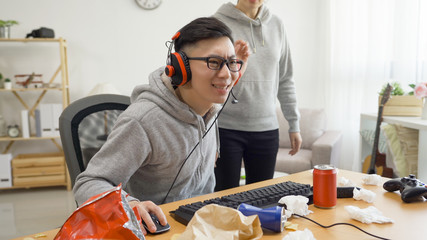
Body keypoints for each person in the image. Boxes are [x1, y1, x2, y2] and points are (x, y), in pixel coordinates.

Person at [73, 17, 249, 235]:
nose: (226, 74)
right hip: (157, 232)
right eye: (213, 62)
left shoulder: (210, 108)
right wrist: (131, 205)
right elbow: (88, 182)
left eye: (231, 63)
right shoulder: (143, 120)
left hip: (202, 228)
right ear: (180, 67)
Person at [213, 0, 302, 191]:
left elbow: (285, 78)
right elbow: (209, 78)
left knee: (261, 199)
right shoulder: (217, 24)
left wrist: (294, 124)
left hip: (266, 130)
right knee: (224, 199)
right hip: (225, 129)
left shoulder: (277, 25)